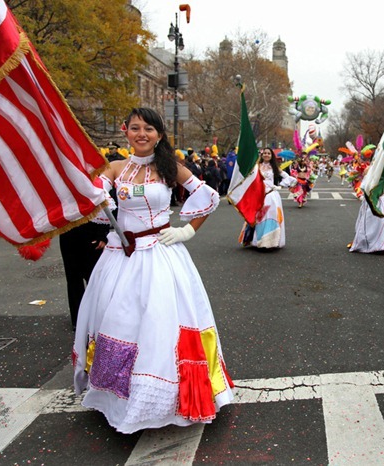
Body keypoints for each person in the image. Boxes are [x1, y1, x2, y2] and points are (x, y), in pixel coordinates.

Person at [72, 107, 234, 434]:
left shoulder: (171, 167)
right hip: (121, 259)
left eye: (148, 128)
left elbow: (209, 197)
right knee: (120, 322)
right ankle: (118, 397)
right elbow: (91, 202)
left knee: (161, 324)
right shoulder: (114, 168)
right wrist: (92, 194)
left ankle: (163, 397)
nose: (141, 134)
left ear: (159, 134)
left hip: (161, 256)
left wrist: (187, 231)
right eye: (135, 128)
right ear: (126, 131)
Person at [239, 147, 297, 248]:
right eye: (265, 153)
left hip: (271, 196)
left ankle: (270, 242)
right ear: (262, 155)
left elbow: (287, 177)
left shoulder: (275, 167)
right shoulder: (256, 166)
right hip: (258, 196)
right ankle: (258, 240)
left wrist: (279, 186)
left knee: (270, 217)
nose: (266, 155)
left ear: (271, 156)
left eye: (269, 153)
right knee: (258, 218)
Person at [59, 219, 109, 329]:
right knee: (73, 279)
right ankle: (78, 319)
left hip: (91, 232)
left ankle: (97, 317)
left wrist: (102, 234)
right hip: (68, 232)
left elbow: (103, 205)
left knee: (94, 278)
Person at [348, 166, 384, 253]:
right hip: (371, 201)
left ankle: (381, 245)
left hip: (382, 200)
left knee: (382, 222)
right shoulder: (370, 170)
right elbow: (364, 187)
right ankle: (368, 243)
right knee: (370, 222)